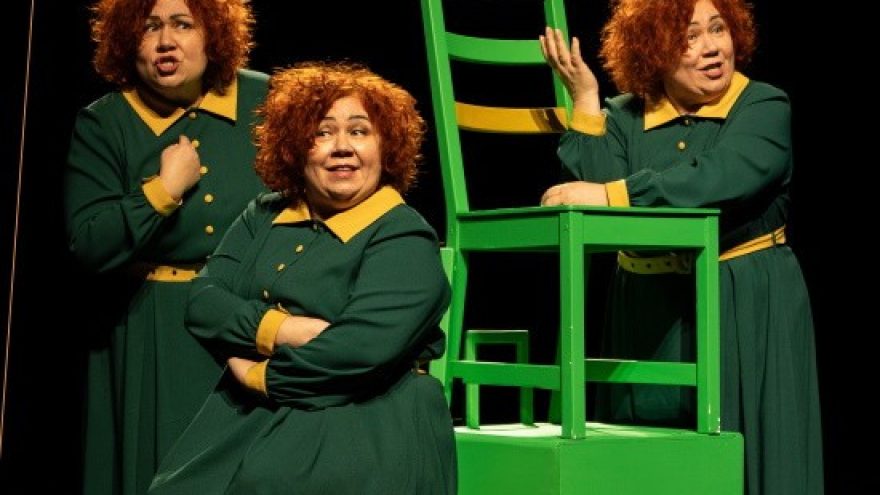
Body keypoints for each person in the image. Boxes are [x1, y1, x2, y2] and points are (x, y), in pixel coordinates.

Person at [538, 0, 823, 493]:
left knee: (748, 454)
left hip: (743, 298)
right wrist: (585, 100)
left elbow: (718, 178)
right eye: (688, 38)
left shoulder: (761, 104)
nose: (711, 48)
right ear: (653, 51)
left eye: (718, 29)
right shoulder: (624, 115)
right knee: (650, 464)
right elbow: (593, 207)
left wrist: (618, 195)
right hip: (646, 309)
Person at [147, 61, 457, 494]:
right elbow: (204, 302)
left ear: (385, 147)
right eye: (322, 132)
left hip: (364, 421)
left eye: (359, 131)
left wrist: (256, 375)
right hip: (249, 418)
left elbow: (359, 351)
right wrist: (281, 329)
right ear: (294, 147)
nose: (342, 147)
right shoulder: (264, 214)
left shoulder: (401, 232)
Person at [63, 0, 268, 493]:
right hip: (159, 329)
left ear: (213, 33)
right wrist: (162, 191)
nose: (165, 42)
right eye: (149, 27)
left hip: (256, 318)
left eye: (182, 25)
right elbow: (89, 243)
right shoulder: (106, 122)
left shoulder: (264, 100)